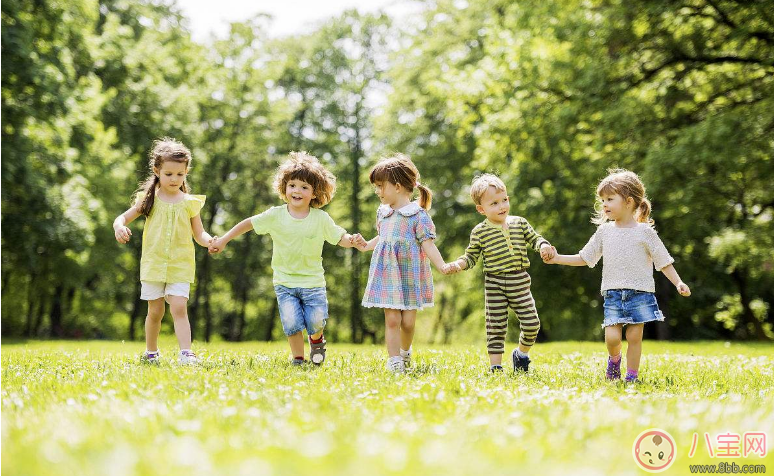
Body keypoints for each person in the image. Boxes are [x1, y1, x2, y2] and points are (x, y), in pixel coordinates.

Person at [209, 152, 365, 366]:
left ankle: (317, 341)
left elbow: (340, 238)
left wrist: (352, 240)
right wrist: (225, 239)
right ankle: (298, 359)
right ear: (284, 187)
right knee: (291, 323)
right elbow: (249, 223)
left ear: (314, 193)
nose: (297, 191)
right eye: (292, 185)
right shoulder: (276, 215)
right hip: (285, 282)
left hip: (313, 282)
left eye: (304, 187)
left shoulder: (321, 219)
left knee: (316, 321)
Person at [545, 169, 691, 383]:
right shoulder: (605, 232)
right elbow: (585, 257)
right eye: (602, 199)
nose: (604, 204)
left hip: (640, 293)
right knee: (612, 338)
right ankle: (614, 360)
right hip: (613, 293)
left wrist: (678, 282)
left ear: (629, 201)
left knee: (634, 336)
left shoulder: (645, 232)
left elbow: (664, 261)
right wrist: (557, 258)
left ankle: (631, 376)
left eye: (610, 199)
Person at [113, 137, 214, 365]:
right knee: (155, 311)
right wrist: (119, 227)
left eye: (180, 174)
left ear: (186, 172)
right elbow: (123, 217)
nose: (174, 179)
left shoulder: (190, 202)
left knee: (179, 307)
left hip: (180, 264)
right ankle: (151, 352)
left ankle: (186, 352)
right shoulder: (149, 200)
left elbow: (199, 234)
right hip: (153, 264)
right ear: (157, 170)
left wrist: (210, 242)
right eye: (169, 174)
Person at [445, 174, 554, 373]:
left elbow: (535, 238)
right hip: (494, 283)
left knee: (532, 323)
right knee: (496, 327)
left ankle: (521, 354)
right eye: (494, 203)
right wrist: (457, 265)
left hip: (519, 280)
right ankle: (495, 367)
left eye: (504, 200)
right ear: (481, 209)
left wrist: (544, 245)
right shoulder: (480, 231)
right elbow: (470, 256)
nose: (501, 206)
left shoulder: (519, 223)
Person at [357, 154, 448, 373]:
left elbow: (428, 245)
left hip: (409, 275)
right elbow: (383, 238)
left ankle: (405, 353)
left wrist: (442, 265)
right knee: (392, 320)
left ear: (397, 186)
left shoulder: (418, 215)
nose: (378, 191)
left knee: (407, 323)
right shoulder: (383, 213)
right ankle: (394, 360)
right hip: (388, 274)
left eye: (380, 186)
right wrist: (366, 245)